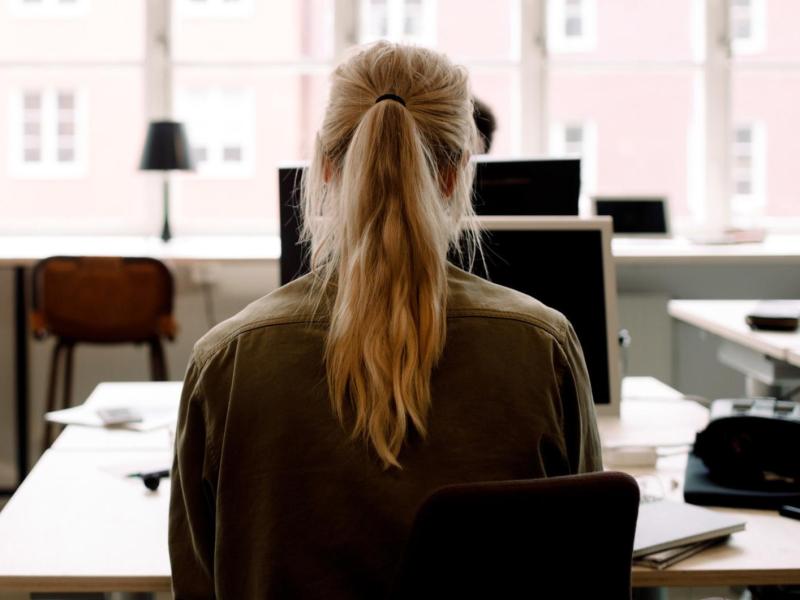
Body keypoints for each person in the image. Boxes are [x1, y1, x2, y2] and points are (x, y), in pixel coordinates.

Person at [169, 41, 601, 599]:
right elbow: (586, 562)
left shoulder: (226, 360)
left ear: (325, 167)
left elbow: (199, 583)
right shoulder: (543, 345)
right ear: (456, 174)